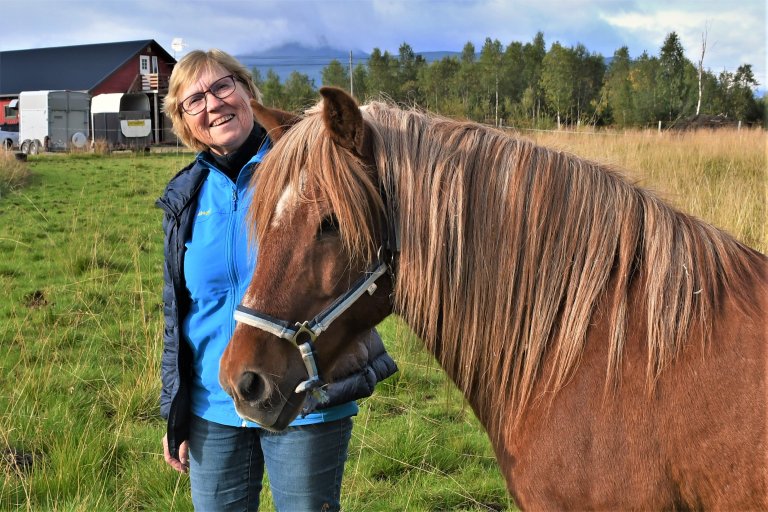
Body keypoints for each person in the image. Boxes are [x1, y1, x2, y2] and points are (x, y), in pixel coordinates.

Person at [156, 49, 398, 512]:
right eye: (194, 101)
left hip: (307, 395)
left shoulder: (306, 170)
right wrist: (177, 407)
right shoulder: (185, 199)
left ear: (248, 91)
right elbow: (178, 313)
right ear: (186, 123)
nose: (213, 104)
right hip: (216, 403)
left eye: (222, 87)